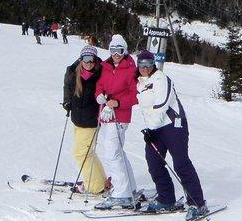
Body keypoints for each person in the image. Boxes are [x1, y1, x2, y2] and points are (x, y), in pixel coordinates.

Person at [136, 50, 208, 220]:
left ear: (153, 64)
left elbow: (161, 104)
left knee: (181, 163)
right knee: (154, 163)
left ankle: (197, 203)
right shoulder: (140, 83)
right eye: (141, 64)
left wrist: (151, 129)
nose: (145, 67)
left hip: (173, 125)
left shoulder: (161, 78)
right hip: (155, 129)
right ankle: (166, 198)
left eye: (148, 64)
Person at [93, 34, 139, 210]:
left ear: (125, 50)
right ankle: (130, 187)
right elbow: (100, 86)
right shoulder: (105, 66)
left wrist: (118, 102)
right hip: (105, 114)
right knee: (117, 151)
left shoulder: (130, 69)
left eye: (119, 50)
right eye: (113, 50)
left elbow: (135, 95)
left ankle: (122, 194)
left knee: (112, 153)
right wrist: (99, 95)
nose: (116, 54)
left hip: (120, 116)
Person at [63, 45, 107, 194]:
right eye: (85, 59)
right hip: (76, 120)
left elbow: (108, 92)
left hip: (90, 121)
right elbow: (67, 88)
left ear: (95, 60)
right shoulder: (73, 72)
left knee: (80, 153)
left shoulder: (100, 75)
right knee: (88, 153)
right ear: (81, 59)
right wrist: (67, 102)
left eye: (91, 59)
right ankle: (100, 181)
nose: (88, 62)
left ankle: (94, 187)